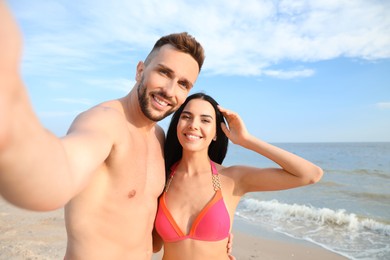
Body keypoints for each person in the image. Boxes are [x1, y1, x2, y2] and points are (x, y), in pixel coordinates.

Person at [0, 2, 234, 259]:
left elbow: (150, 235)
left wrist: (217, 236)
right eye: (164, 72)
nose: (170, 90)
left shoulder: (159, 138)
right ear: (140, 70)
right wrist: (11, 132)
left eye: (183, 84)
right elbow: (57, 171)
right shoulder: (104, 122)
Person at [153, 93, 324, 259]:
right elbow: (154, 244)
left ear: (216, 133)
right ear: (177, 124)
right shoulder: (161, 178)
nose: (193, 125)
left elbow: (310, 174)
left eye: (205, 120)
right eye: (186, 117)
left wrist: (246, 140)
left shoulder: (233, 178)